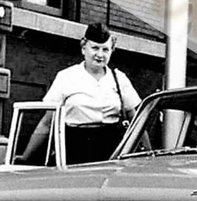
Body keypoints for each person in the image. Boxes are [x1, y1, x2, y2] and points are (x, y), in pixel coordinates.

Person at [21, 23, 141, 165]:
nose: (100, 55)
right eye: (95, 48)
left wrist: (149, 154)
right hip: (74, 150)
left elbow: (137, 122)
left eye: (105, 49)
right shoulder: (66, 77)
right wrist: (26, 157)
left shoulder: (119, 79)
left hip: (111, 151)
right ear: (84, 48)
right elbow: (47, 123)